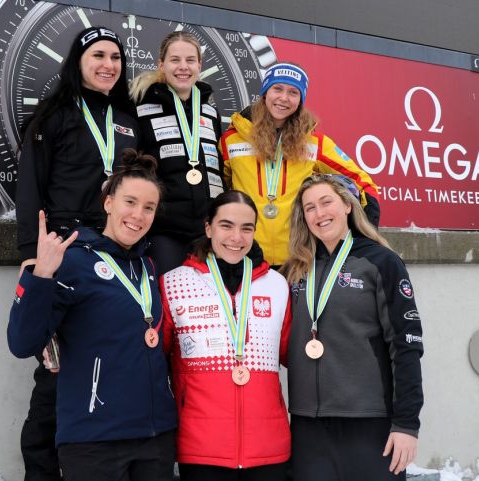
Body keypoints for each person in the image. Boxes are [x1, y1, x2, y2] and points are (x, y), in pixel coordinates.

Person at [12, 26, 139, 481]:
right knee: (54, 372)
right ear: (78, 61)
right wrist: (32, 258)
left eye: (116, 58)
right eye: (98, 55)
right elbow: (30, 189)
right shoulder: (54, 115)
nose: (108, 65)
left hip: (114, 259)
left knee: (106, 365)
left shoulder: (129, 119)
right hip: (63, 254)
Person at [8, 151, 177, 481]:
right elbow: (22, 342)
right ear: (109, 203)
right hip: (94, 439)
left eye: (149, 207)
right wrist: (40, 275)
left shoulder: (149, 267)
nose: (138, 215)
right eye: (130, 202)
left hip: (154, 439)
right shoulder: (70, 262)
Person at [280, 174, 424, 481]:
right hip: (308, 426)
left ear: (347, 205)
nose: (319, 214)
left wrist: (406, 424)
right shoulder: (295, 269)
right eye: (309, 208)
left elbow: (406, 345)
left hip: (368, 422)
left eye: (326, 202)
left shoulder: (381, 262)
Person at [159, 190, 291, 481]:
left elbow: (291, 356)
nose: (237, 238)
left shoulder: (277, 285)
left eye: (247, 228)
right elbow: (156, 358)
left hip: (268, 446)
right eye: (226, 225)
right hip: (200, 446)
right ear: (208, 228)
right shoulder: (174, 283)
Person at [220, 62, 381, 267]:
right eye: (277, 89)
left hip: (298, 261)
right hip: (244, 256)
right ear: (265, 93)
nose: (284, 98)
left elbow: (363, 182)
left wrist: (363, 237)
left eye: (293, 92)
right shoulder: (231, 139)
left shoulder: (314, 143)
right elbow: (220, 190)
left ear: (300, 100)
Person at [130, 32, 223, 274]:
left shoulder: (210, 113)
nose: (183, 67)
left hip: (206, 232)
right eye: (175, 60)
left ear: (199, 66)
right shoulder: (141, 108)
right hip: (165, 230)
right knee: (167, 299)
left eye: (190, 60)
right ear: (162, 65)